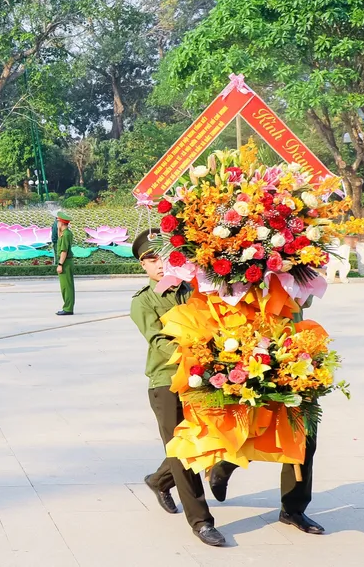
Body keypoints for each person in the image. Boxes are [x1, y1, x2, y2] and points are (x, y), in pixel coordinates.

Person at [130, 229, 224, 547]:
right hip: (166, 382)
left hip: (203, 380)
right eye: (150, 259)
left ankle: (158, 481)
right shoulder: (143, 302)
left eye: (163, 257)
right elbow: (158, 342)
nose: (158, 264)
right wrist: (197, 356)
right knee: (183, 452)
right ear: (142, 265)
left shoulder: (192, 290)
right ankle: (201, 521)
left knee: (210, 440)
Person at [207, 295, 324, 535]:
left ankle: (293, 509)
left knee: (304, 438)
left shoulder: (294, 263)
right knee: (255, 430)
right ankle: (226, 465)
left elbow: (306, 298)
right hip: (253, 347)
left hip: (296, 349)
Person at [55, 211, 75, 316]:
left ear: (62, 223)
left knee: (67, 287)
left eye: (58, 221)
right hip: (66, 262)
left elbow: (64, 251)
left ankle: (68, 308)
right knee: (65, 286)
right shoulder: (66, 233)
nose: (57, 224)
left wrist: (60, 264)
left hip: (65, 262)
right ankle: (67, 307)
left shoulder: (66, 234)